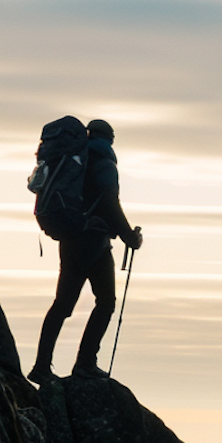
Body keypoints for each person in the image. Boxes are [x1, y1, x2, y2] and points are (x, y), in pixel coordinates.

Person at [28, 118, 142, 383]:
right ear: (110, 139)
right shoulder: (103, 161)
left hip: (70, 236)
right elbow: (110, 203)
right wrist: (129, 237)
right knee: (106, 302)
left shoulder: (73, 159)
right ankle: (85, 364)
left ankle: (41, 366)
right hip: (93, 241)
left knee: (63, 305)